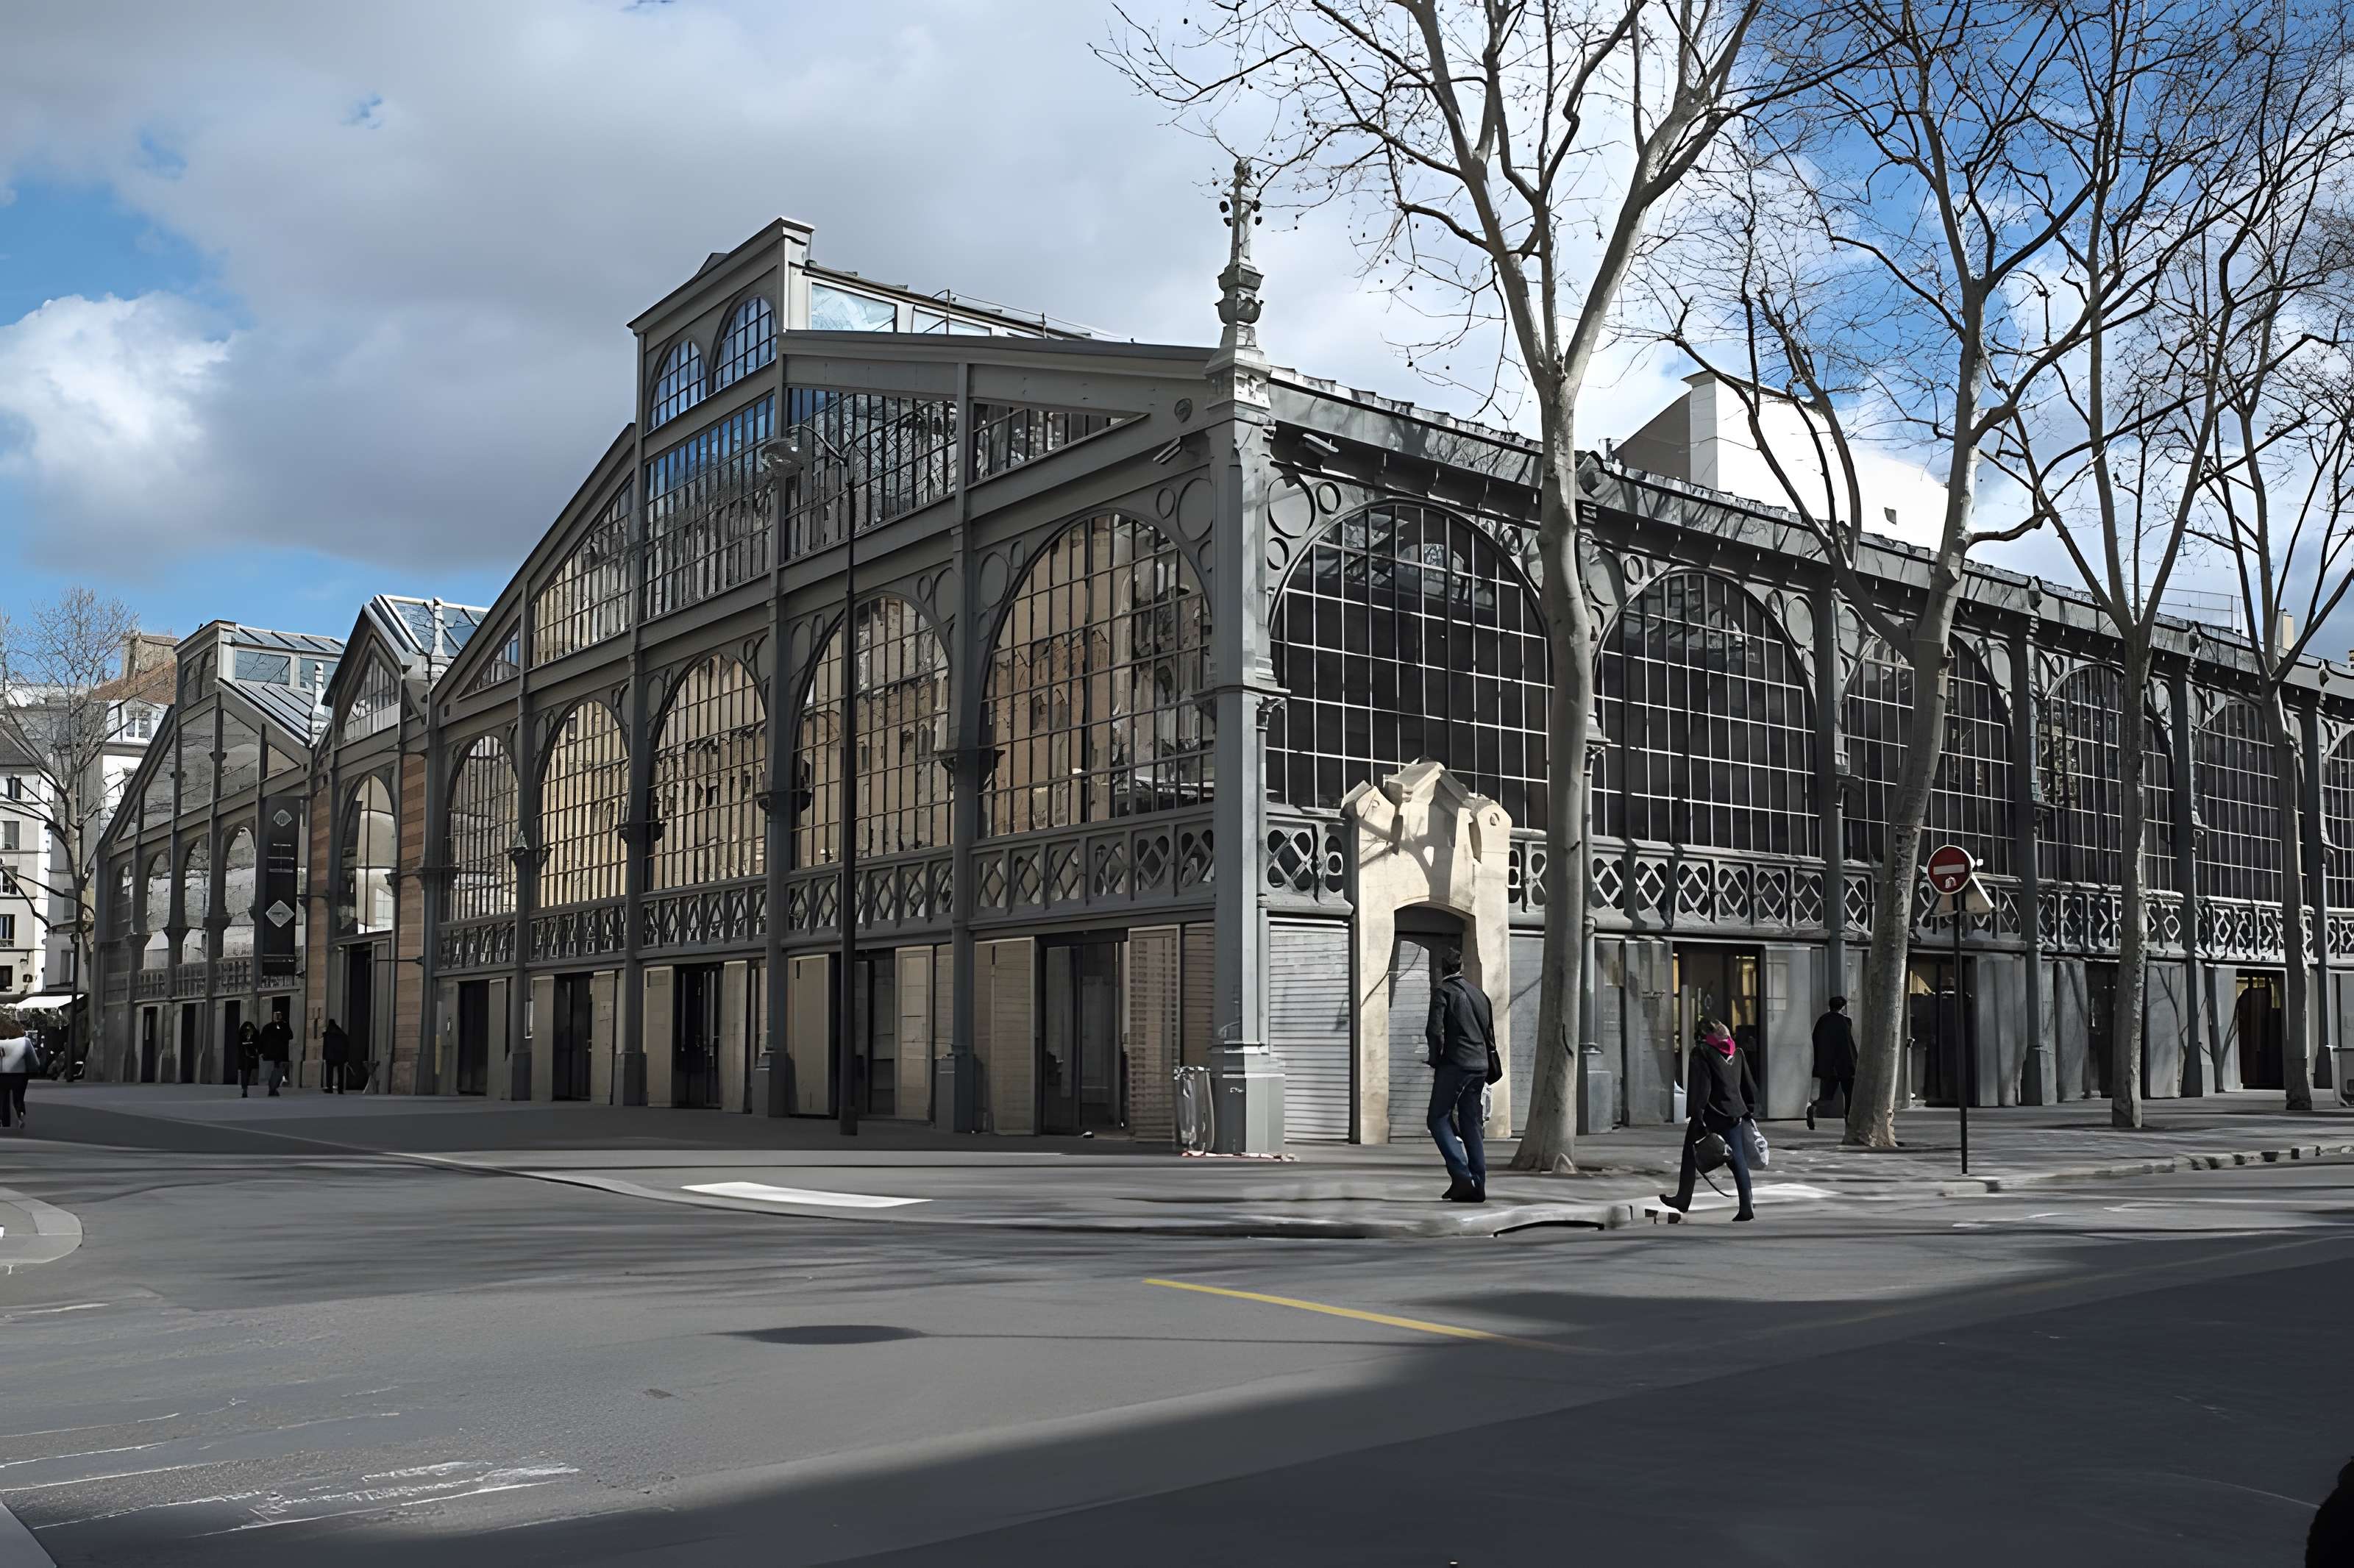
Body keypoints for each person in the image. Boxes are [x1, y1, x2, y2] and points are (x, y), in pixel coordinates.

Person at [1660, 1019, 1757, 1222]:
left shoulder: (1702, 1052)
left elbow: (1702, 1087)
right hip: (1734, 1113)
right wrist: (1748, 1109)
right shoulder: (1737, 1052)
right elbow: (1746, 1083)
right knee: (1737, 1159)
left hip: (1711, 1113)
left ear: (1704, 1035)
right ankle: (1746, 1207)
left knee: (1690, 1151)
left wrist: (1696, 1114)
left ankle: (1683, 1199)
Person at [1423, 949, 1495, 1204]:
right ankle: (1478, 1184)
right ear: (1462, 967)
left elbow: (1434, 1031)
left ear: (1441, 969)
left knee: (1437, 1118)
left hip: (1456, 1064)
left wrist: (1435, 1059)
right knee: (1471, 1122)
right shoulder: (1480, 995)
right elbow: (1489, 1034)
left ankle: (1463, 1177)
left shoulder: (1443, 992)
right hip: (1480, 1066)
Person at [1809, 995, 1857, 1131]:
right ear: (1843, 1007)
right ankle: (1848, 1119)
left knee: (1826, 1094)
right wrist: (1854, 1063)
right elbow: (1848, 1045)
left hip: (1826, 1063)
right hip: (1844, 1064)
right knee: (1849, 1092)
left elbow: (1816, 1040)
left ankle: (1813, 1106)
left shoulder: (1822, 1021)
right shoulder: (1845, 1021)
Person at [0, 1031, 30, 1132]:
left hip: (4, 1074)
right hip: (19, 1074)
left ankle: (5, 1120)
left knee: (4, 1098)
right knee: (18, 1097)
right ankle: (19, 1115)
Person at [258, 1011, 292, 1096]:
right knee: (277, 1071)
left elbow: (261, 1040)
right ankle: (273, 1089)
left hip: (271, 1053)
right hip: (278, 1053)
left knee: (274, 1072)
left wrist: (261, 1052)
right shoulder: (283, 1026)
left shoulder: (268, 1027)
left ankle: (272, 1089)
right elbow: (290, 1036)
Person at [321, 1019, 349, 1094]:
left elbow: (325, 1046)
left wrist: (324, 1056)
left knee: (329, 1074)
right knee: (341, 1074)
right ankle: (340, 1090)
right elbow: (346, 1045)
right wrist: (346, 1057)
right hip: (340, 1057)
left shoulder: (328, 1034)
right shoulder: (341, 1034)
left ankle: (330, 1088)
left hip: (330, 1056)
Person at [235, 1019, 262, 1099]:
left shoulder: (242, 1034)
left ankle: (245, 1089)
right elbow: (257, 1044)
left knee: (245, 1073)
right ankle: (245, 1089)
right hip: (248, 1057)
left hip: (246, 1057)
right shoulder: (253, 1034)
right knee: (246, 1073)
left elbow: (239, 1045)